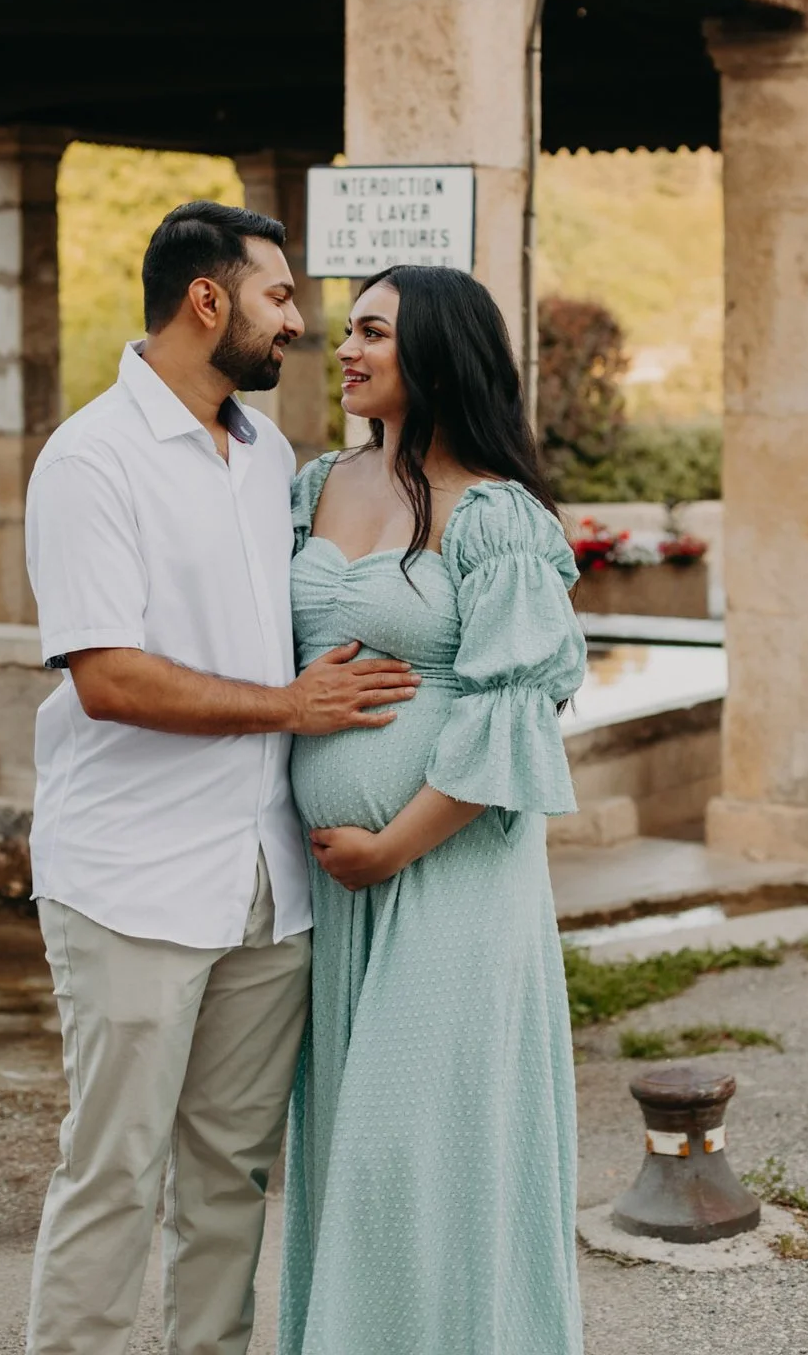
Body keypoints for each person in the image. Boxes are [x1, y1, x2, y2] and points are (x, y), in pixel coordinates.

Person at [23, 201, 421, 1355]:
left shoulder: (266, 462)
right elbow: (108, 677)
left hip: (269, 883)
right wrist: (293, 708)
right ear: (210, 300)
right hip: (132, 879)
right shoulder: (90, 457)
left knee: (232, 1180)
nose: (298, 324)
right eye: (280, 298)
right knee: (113, 1173)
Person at [278, 264, 587, 1355]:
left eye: (374, 332)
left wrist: (391, 847)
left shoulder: (492, 514)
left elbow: (518, 714)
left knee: (409, 1153)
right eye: (347, 328)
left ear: (439, 353)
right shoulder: (313, 481)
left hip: (447, 876)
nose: (347, 348)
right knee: (350, 1153)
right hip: (342, 888)